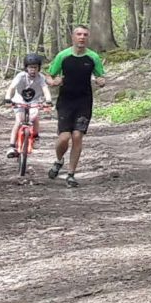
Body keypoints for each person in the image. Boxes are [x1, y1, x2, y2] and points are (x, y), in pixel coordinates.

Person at [44, 26, 106, 187]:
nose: (82, 37)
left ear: (88, 37)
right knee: (64, 138)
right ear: (73, 37)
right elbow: (50, 75)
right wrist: (52, 81)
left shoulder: (93, 57)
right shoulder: (63, 56)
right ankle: (59, 161)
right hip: (65, 101)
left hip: (84, 101)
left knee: (77, 136)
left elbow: (101, 76)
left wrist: (101, 82)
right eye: (79, 34)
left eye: (85, 34)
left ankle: (71, 174)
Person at [5, 55, 49, 159]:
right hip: (19, 101)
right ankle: (11, 146)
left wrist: (49, 101)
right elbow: (11, 88)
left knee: (34, 118)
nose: (33, 70)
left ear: (39, 68)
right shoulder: (21, 76)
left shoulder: (41, 77)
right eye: (30, 67)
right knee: (19, 121)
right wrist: (7, 98)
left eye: (35, 67)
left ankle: (36, 137)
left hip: (34, 102)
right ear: (26, 68)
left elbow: (45, 90)